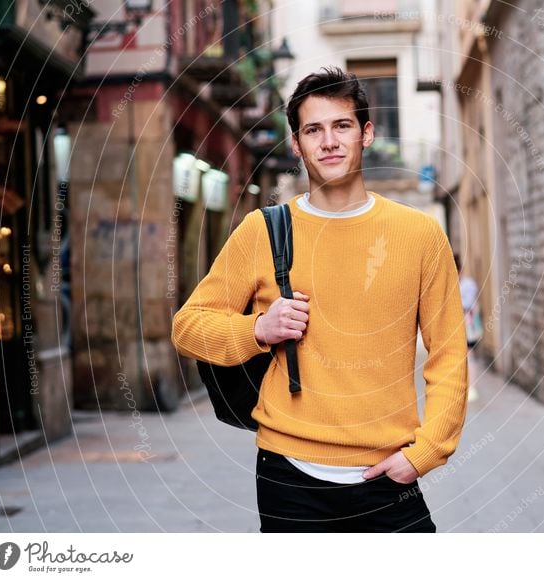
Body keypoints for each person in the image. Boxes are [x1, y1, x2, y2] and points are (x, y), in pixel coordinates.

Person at [171, 66, 468, 533]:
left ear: (366, 134)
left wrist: (428, 451)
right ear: (296, 144)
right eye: (313, 130)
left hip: (390, 476)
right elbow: (187, 327)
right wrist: (257, 329)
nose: (328, 141)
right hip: (288, 475)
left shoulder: (420, 235)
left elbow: (449, 354)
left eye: (342, 125)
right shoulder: (262, 231)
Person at [454, 254, 481, 403]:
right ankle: (463, 388)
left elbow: (467, 304)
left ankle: (472, 388)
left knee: (469, 356)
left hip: (468, 328)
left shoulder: (467, 284)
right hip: (456, 329)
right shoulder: (453, 285)